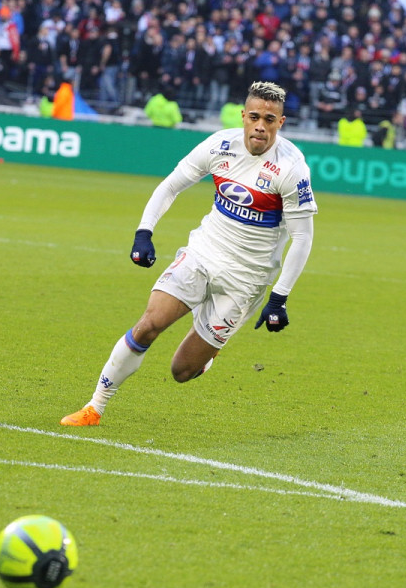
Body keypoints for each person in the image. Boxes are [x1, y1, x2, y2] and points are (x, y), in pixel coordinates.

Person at [60, 82, 317, 426]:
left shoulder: (291, 168)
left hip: (247, 279)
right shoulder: (220, 145)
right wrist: (144, 233)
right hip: (203, 253)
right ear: (243, 116)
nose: (260, 126)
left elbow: (302, 237)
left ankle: (205, 354)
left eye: (269, 120)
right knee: (149, 324)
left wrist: (278, 298)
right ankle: (95, 407)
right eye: (254, 117)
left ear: (280, 123)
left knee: (182, 371)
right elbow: (170, 185)